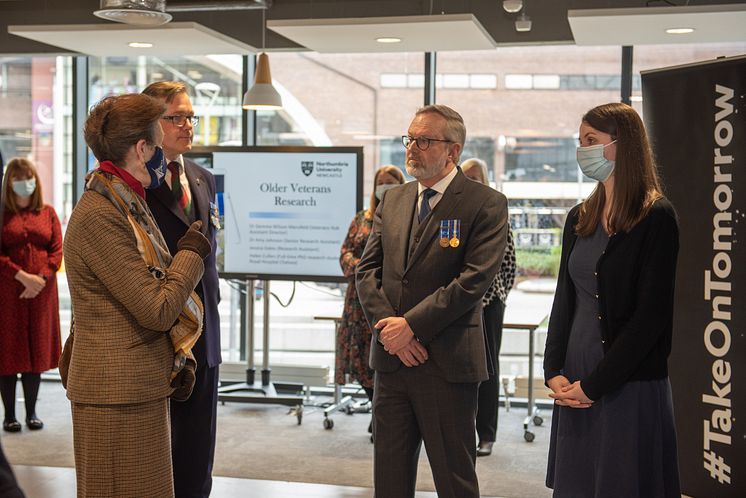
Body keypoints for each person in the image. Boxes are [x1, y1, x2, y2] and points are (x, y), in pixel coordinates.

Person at [61, 93, 210, 498]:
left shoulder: (125, 204)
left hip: (135, 388)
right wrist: (191, 254)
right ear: (142, 149)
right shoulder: (101, 214)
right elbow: (157, 308)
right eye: (158, 143)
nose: (164, 153)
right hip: (115, 394)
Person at [356, 104, 508, 498]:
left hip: (447, 364)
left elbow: (473, 281)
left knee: (454, 480)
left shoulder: (486, 204)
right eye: (409, 139)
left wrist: (411, 327)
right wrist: (391, 330)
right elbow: (367, 271)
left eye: (424, 141)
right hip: (391, 362)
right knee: (389, 481)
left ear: (452, 151)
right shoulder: (393, 200)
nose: (412, 148)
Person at [543, 102, 681, 497]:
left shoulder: (657, 217)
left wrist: (596, 385)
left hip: (626, 383)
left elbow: (649, 319)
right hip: (574, 379)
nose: (581, 151)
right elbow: (564, 301)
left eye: (591, 141)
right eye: (579, 141)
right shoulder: (578, 217)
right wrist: (554, 370)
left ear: (623, 145)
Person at [142, 81, 221, 498]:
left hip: (206, 330)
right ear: (151, 123)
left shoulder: (202, 177)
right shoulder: (137, 182)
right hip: (161, 329)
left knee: (199, 446)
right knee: (160, 449)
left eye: (190, 116)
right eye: (177, 117)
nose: (187, 125)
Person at [337, 165, 404, 431]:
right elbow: (345, 253)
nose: (385, 186)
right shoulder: (361, 219)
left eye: (391, 182)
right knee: (360, 360)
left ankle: (381, 416)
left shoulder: (404, 219)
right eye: (381, 182)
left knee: (384, 360)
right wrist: (363, 268)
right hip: (357, 301)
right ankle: (377, 413)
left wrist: (376, 271)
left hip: (386, 302)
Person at [0, 157, 62, 433]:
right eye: (17, 178)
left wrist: (40, 278)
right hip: (8, 294)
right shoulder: (2, 214)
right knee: (8, 352)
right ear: (8, 183)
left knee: (36, 350)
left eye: (28, 177)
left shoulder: (48, 212)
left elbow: (57, 251)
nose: (24, 183)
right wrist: (21, 275)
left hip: (42, 294)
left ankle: (33, 412)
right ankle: (9, 415)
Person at [460, 158, 516, 457]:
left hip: (489, 304)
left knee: (488, 370)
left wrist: (497, 297)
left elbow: (509, 265)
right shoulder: (454, 213)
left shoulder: (496, 212)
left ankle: (487, 435)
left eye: (476, 177)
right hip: (458, 307)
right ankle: (463, 431)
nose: (472, 182)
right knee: (462, 372)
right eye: (466, 177)